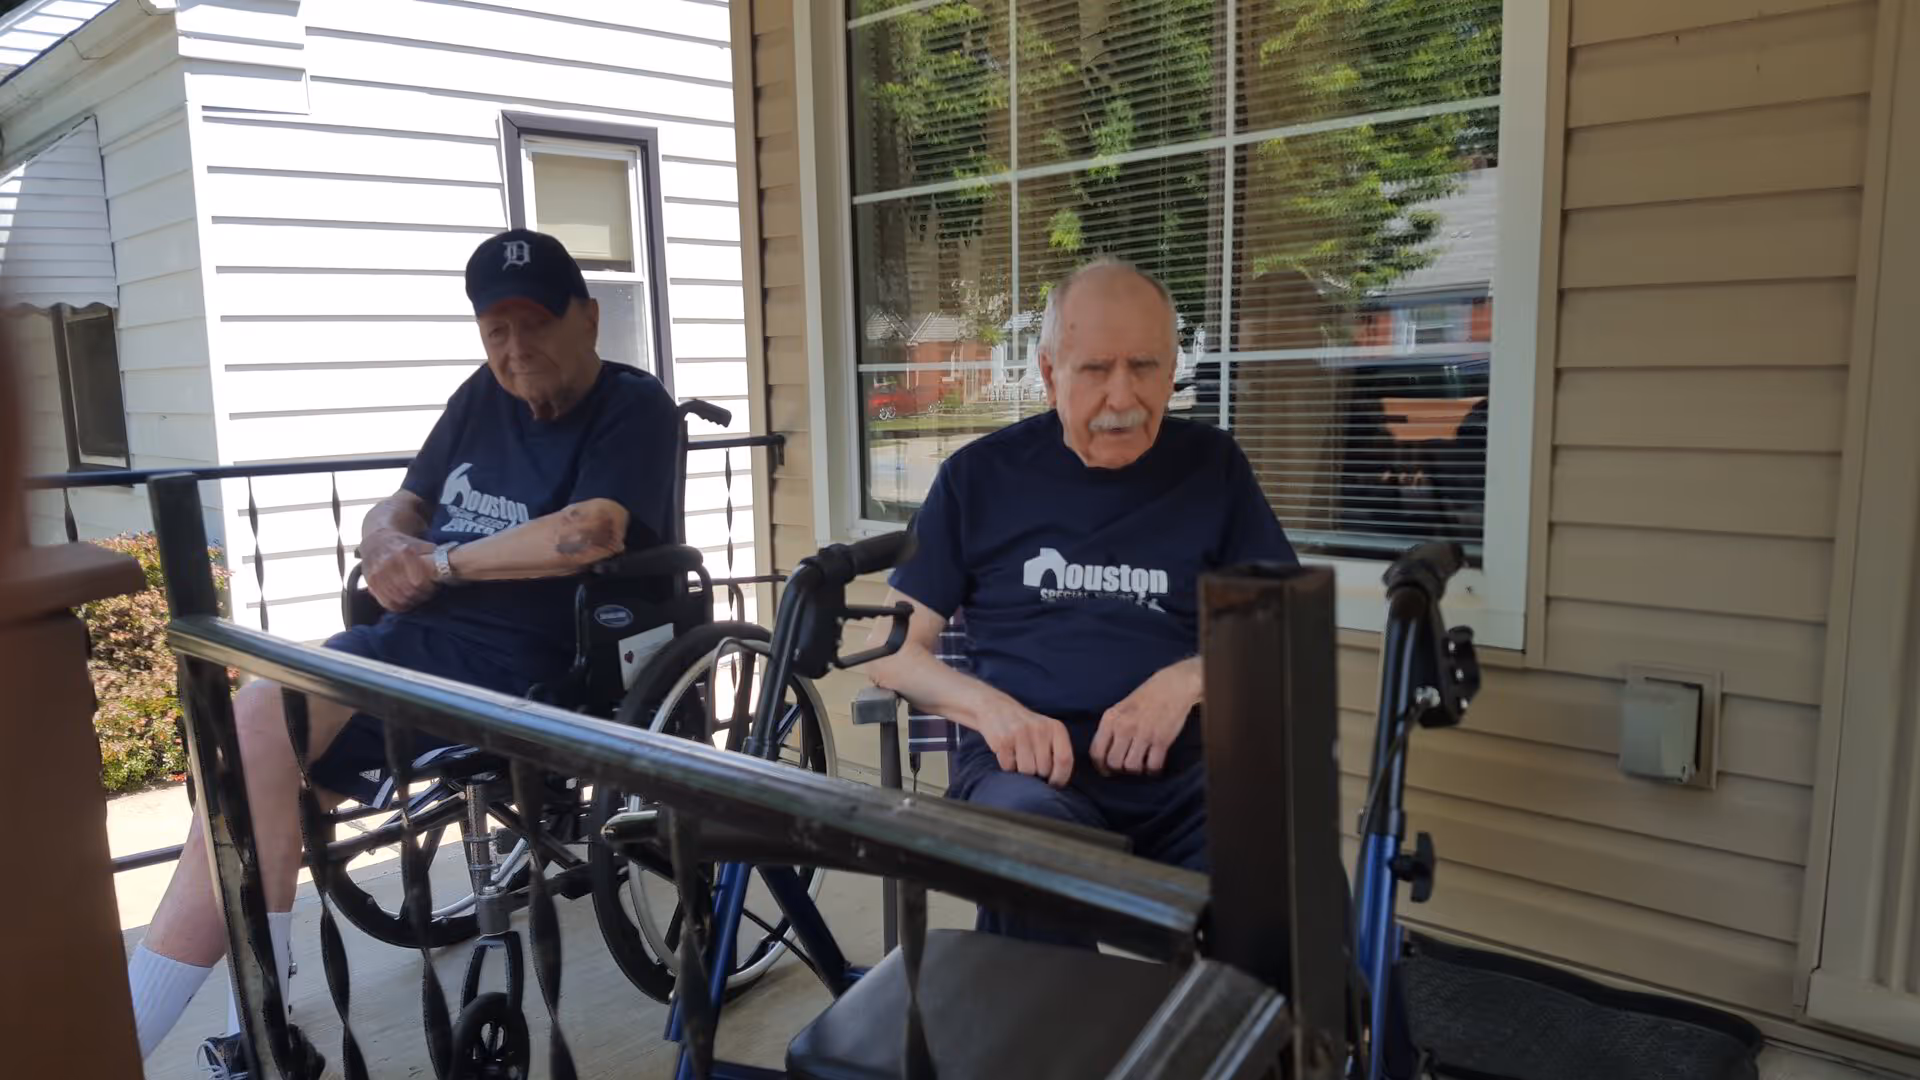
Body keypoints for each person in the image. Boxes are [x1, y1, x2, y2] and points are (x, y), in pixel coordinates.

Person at [124, 229, 682, 1075]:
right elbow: (403, 504)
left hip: (537, 661)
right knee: (242, 757)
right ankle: (240, 1025)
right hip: (413, 643)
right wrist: (383, 541)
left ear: (589, 318)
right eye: (496, 329)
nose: (515, 348)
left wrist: (443, 563)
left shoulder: (631, 405)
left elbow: (594, 530)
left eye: (534, 324)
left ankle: (153, 1030)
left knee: (254, 733)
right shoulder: (478, 398)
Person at [866, 258, 1297, 947]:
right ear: (1048, 373)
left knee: (1293, 894)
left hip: (1187, 780)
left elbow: (1280, 628)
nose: (1123, 396)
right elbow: (894, 654)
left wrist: (1187, 679)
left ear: (1173, 369)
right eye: (1096, 369)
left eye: (1145, 366)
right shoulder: (978, 479)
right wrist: (993, 712)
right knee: (1033, 861)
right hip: (1027, 777)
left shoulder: (1212, 468)